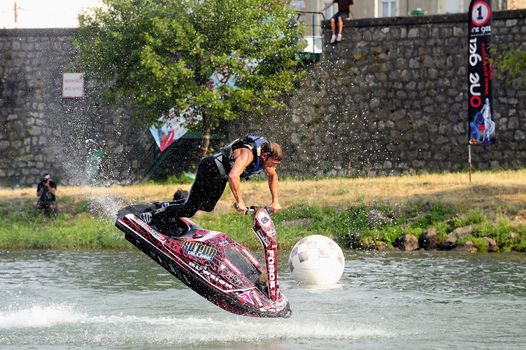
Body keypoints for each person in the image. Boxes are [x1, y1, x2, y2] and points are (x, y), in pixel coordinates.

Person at [140, 136, 284, 224]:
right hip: (209, 168)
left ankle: (177, 202)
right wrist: (240, 201)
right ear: (265, 156)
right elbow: (233, 176)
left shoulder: (266, 159)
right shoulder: (248, 154)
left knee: (208, 206)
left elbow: (272, 176)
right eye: (273, 163)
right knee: (189, 210)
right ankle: (152, 214)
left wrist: (275, 201)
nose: (273, 167)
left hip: (220, 176)